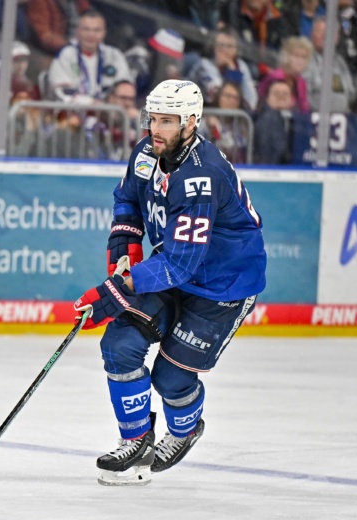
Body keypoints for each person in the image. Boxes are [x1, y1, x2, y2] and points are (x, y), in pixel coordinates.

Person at [72, 79, 266, 486]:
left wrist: (116, 291)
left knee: (170, 377)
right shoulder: (146, 152)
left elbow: (180, 265)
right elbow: (128, 197)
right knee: (120, 346)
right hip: (172, 268)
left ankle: (184, 430)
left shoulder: (202, 176)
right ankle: (137, 439)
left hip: (222, 286)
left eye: (167, 121)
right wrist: (124, 239)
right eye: (152, 118)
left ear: (191, 122)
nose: (155, 129)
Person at [46, 9, 132, 104]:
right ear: (78, 31)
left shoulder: (114, 55)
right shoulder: (66, 55)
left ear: (104, 33)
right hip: (73, 113)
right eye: (86, 29)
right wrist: (92, 103)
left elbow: (126, 88)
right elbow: (62, 92)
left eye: (97, 30)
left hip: (108, 114)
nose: (91, 35)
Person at [187, 28, 258, 110]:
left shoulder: (241, 66)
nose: (225, 50)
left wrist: (232, 69)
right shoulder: (204, 65)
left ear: (236, 50)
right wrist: (232, 72)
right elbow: (218, 99)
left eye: (230, 46)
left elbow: (251, 101)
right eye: (221, 46)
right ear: (214, 48)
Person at [302, 17, 355, 113]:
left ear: (337, 38)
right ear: (311, 35)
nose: (325, 36)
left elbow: (350, 94)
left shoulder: (340, 62)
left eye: (330, 33)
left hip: (343, 118)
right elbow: (303, 96)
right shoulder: (305, 59)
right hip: (313, 118)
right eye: (320, 31)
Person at [252, 77, 294, 164]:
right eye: (276, 93)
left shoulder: (293, 119)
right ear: (267, 98)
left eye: (285, 94)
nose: (281, 96)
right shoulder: (266, 119)